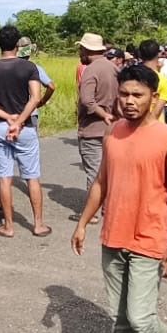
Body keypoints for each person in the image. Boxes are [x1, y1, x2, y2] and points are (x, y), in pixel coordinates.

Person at [72, 63, 167, 333]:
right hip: (114, 236)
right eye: (124, 94)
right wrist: (83, 223)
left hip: (149, 238)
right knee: (119, 315)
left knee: (141, 317)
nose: (128, 101)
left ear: (154, 97)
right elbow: (101, 184)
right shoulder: (113, 134)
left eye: (137, 95)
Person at [0, 25, 50, 238]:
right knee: (32, 177)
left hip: (0, 128)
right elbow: (36, 98)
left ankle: (8, 226)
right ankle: (38, 225)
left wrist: (7, 117)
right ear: (17, 44)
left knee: (4, 178)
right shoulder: (28, 67)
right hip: (25, 128)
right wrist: (19, 120)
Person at [75, 33, 117, 220]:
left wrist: (103, 114)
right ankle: (108, 208)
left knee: (94, 172)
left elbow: (87, 100)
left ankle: (91, 213)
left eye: (81, 49)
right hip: (112, 129)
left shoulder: (90, 70)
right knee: (108, 170)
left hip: (92, 129)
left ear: (86, 50)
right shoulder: (114, 68)